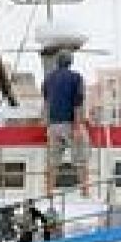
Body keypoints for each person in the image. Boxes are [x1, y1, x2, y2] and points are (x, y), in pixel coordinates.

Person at [41, 51, 89, 194]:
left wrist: (48, 124)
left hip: (53, 126)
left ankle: (48, 192)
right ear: (70, 62)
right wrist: (77, 127)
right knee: (81, 158)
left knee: (53, 162)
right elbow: (77, 103)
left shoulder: (48, 79)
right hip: (69, 124)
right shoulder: (76, 77)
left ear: (57, 62)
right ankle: (85, 192)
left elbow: (47, 103)